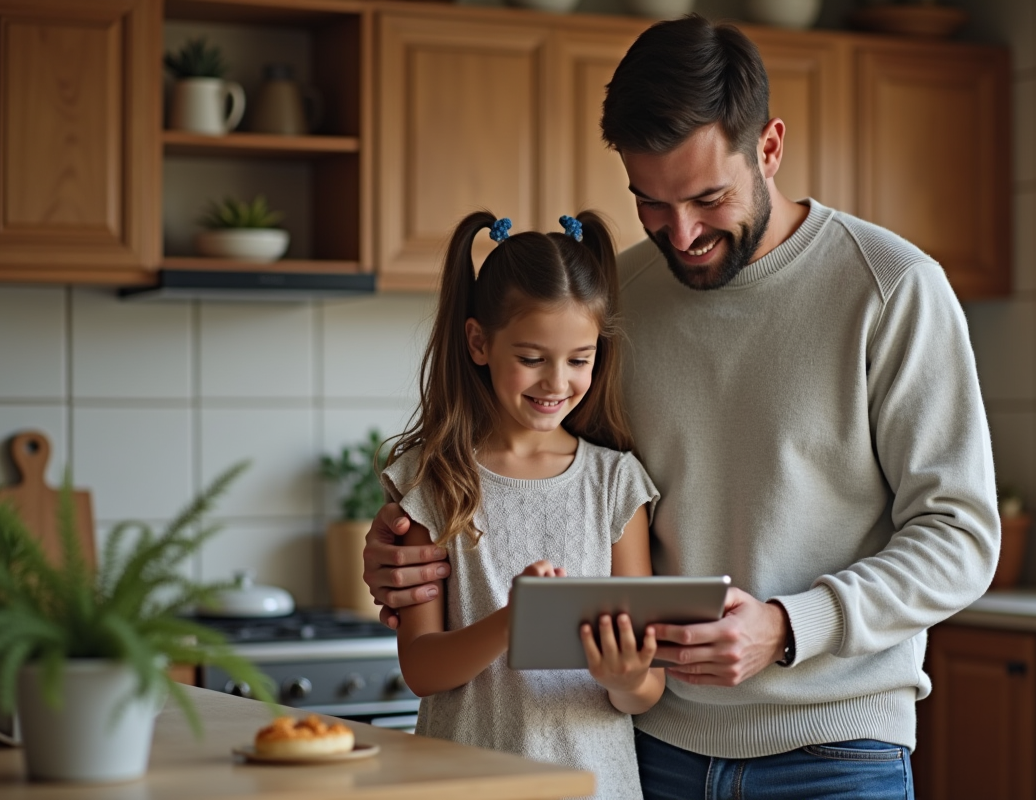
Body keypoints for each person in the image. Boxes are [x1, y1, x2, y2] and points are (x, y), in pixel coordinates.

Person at [364, 15, 999, 800]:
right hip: (645, 751)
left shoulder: (891, 288)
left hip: (834, 753)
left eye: (707, 198)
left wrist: (790, 625)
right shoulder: (616, 297)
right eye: (652, 204)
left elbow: (962, 537)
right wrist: (406, 543)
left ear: (768, 147)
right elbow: (547, 475)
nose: (683, 233)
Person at [380, 209, 664, 800]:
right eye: (532, 358)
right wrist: (515, 621)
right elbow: (422, 670)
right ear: (479, 342)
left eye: (579, 359)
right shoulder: (435, 480)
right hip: (464, 786)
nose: (556, 382)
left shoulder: (616, 483)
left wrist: (627, 676)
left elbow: (646, 689)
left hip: (597, 786)